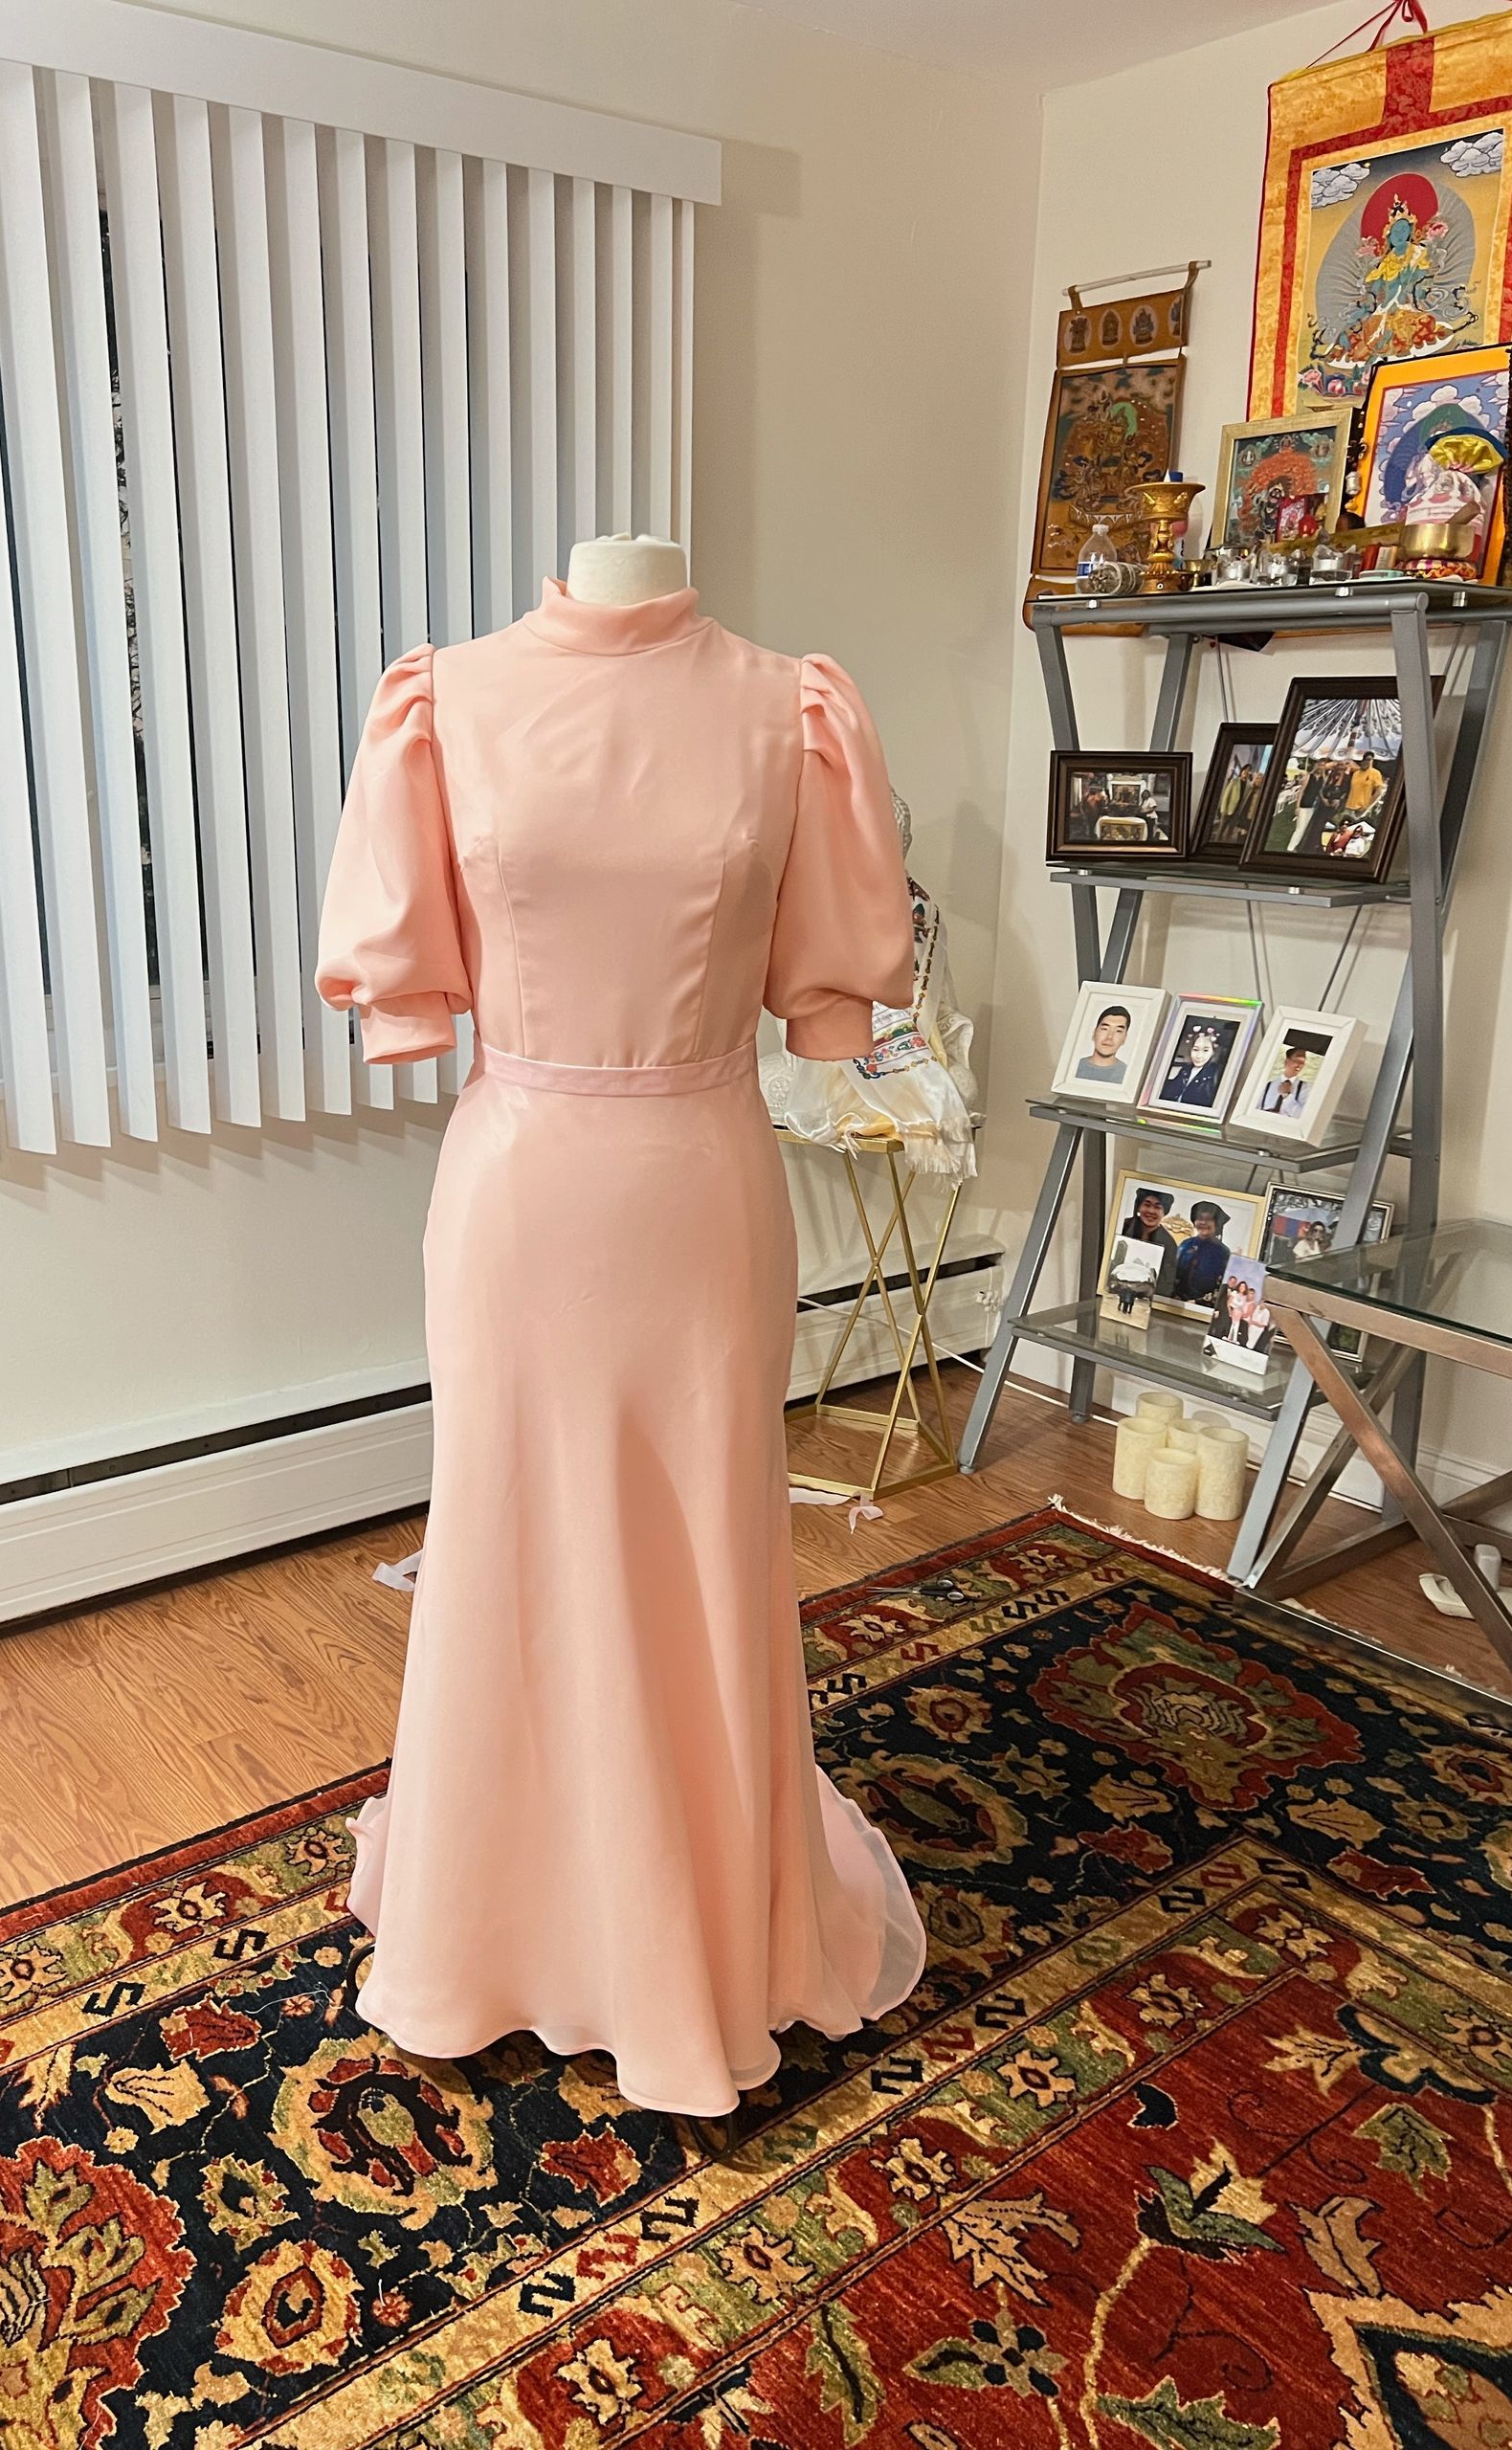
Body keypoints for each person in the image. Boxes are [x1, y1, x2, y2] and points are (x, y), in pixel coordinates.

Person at [314, 568, 928, 2117]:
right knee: (509, 1540)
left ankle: (699, 1925)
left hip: (705, 1194)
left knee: (698, 1549)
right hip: (520, 1192)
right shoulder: (441, 698)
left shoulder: (790, 706)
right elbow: (406, 971)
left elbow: (829, 988)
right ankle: (497, 1907)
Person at [1120, 1185, 1179, 1294]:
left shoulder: (1169, 1243)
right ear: (1138, 1207)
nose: (1151, 1211)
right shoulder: (1123, 1227)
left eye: (1157, 1207)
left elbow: (1167, 1281)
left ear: (1164, 1212)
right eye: (1147, 1205)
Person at [1170, 1200, 1233, 1304]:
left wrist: (1198, 1302)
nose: (1203, 1223)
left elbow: (1223, 1286)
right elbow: (1172, 1273)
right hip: (1176, 1302)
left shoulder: (1223, 1252)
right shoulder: (1185, 1245)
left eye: (1208, 1219)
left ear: (1216, 1223)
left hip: (1204, 1306)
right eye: (1200, 1219)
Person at [1160, 1021, 1229, 1109]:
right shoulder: (1185, 1069)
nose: (1199, 1056)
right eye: (1196, 1049)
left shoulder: (1216, 1074)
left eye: (1205, 1050)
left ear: (1213, 1052)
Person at [1257, 1032, 1322, 1119]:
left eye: (1303, 1062)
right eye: (1298, 1061)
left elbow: (1303, 1116)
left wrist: (1287, 1097)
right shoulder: (1268, 1085)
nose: (1300, 1065)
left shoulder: (1305, 1088)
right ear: (1286, 1061)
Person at [1074, 1001, 1133, 1086]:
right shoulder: (1073, 1067)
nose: (1109, 1037)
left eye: (1118, 1031)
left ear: (1124, 1038)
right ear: (1094, 1033)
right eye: (1105, 1029)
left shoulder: (1128, 1075)